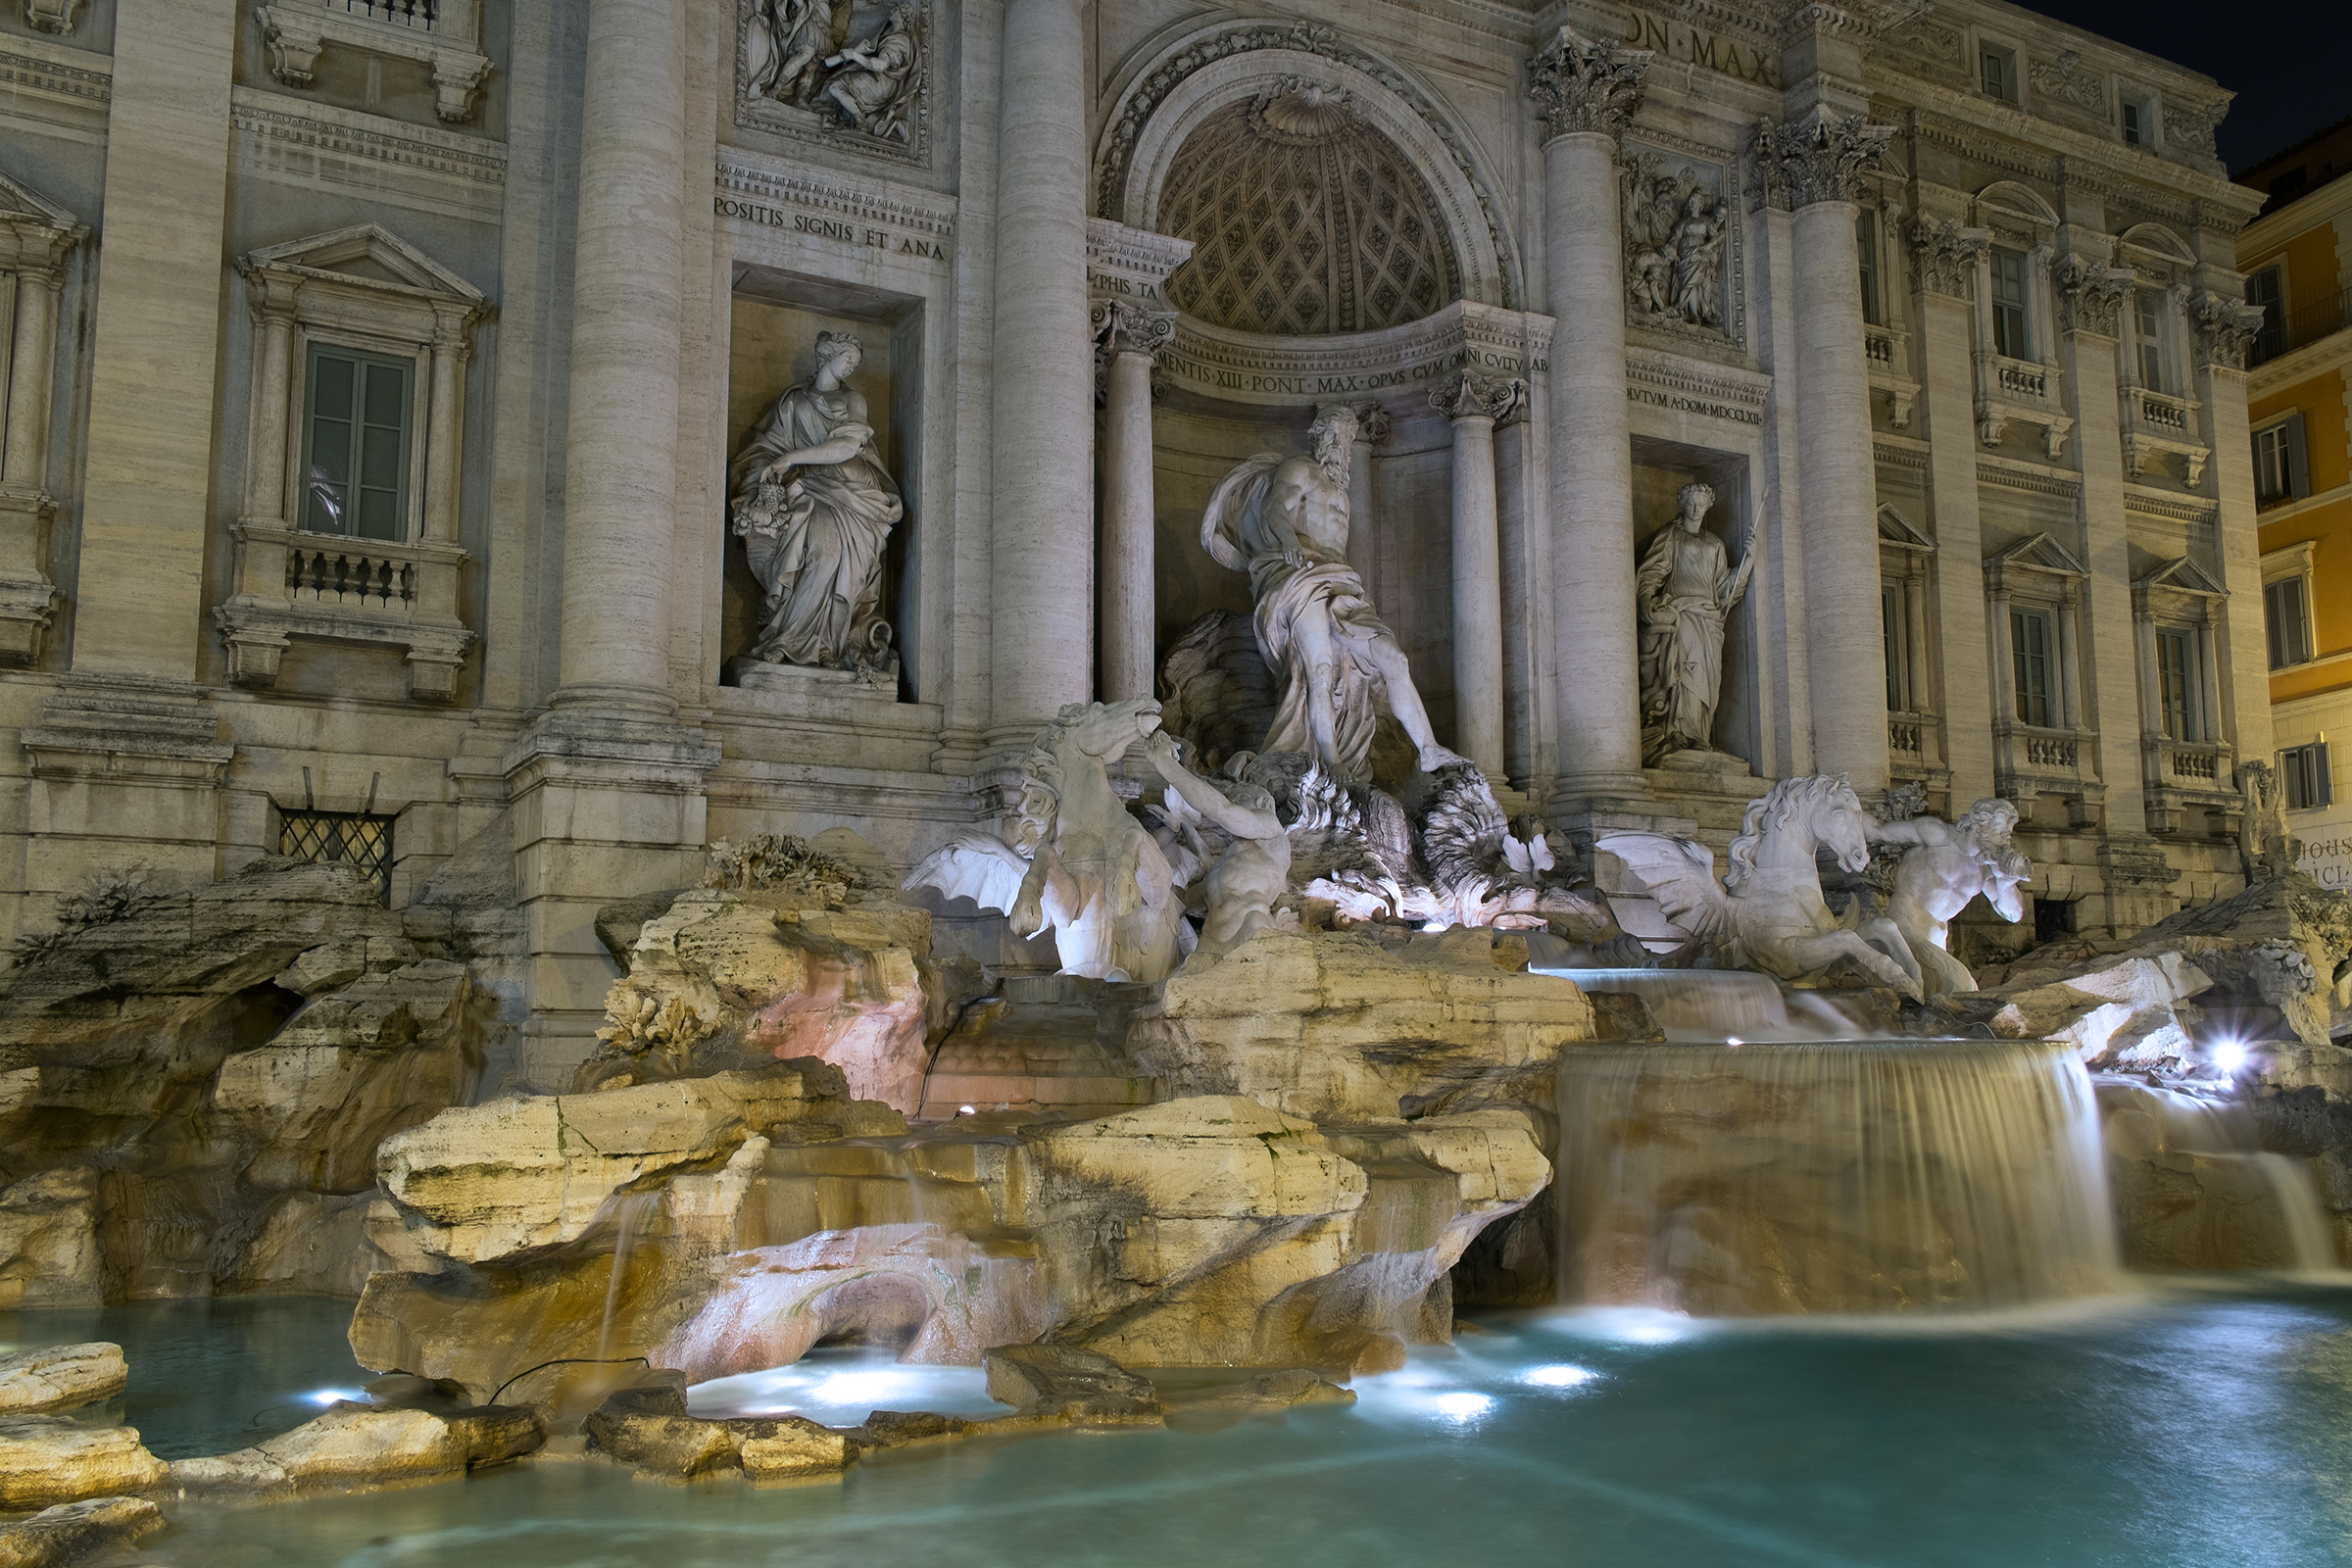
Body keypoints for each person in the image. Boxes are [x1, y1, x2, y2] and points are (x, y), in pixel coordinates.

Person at [1200, 406, 1463, 787]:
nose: (1340, 448)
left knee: (1394, 657)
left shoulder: (1343, 490)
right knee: (1318, 671)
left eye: (1345, 440)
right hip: (1299, 574)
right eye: (1334, 439)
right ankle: (1330, 760)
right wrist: (1288, 541)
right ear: (1320, 440)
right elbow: (1276, 506)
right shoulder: (1300, 470)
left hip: (1341, 583)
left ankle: (1429, 748)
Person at [727, 331, 904, 671]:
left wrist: (792, 458)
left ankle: (829, 647)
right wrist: (772, 472)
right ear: (826, 355)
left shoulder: (854, 400)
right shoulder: (792, 402)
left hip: (852, 492)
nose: (851, 365)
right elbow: (764, 450)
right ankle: (790, 640)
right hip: (808, 490)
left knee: (841, 560)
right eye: (847, 357)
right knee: (822, 550)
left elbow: (849, 447)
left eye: (855, 361)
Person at [1636, 481, 1750, 764]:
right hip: (1683, 612)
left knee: (1708, 677)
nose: (1696, 508)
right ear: (1682, 505)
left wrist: (1748, 562)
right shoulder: (1670, 536)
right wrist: (1646, 598)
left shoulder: (1715, 545)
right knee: (1685, 668)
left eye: (1701, 503)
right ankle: (1677, 730)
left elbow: (1725, 590)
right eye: (1691, 503)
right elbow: (1652, 571)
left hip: (1709, 618)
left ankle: (1699, 732)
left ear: (1709, 506)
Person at [1867, 799, 2031, 996]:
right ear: (1978, 824)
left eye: (2006, 834)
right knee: (1963, 988)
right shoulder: (1937, 835)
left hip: (1938, 939)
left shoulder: (1985, 867)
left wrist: (2005, 882)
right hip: (1904, 925)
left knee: (1961, 994)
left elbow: (2013, 915)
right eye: (1999, 831)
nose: (2003, 840)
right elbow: (1877, 832)